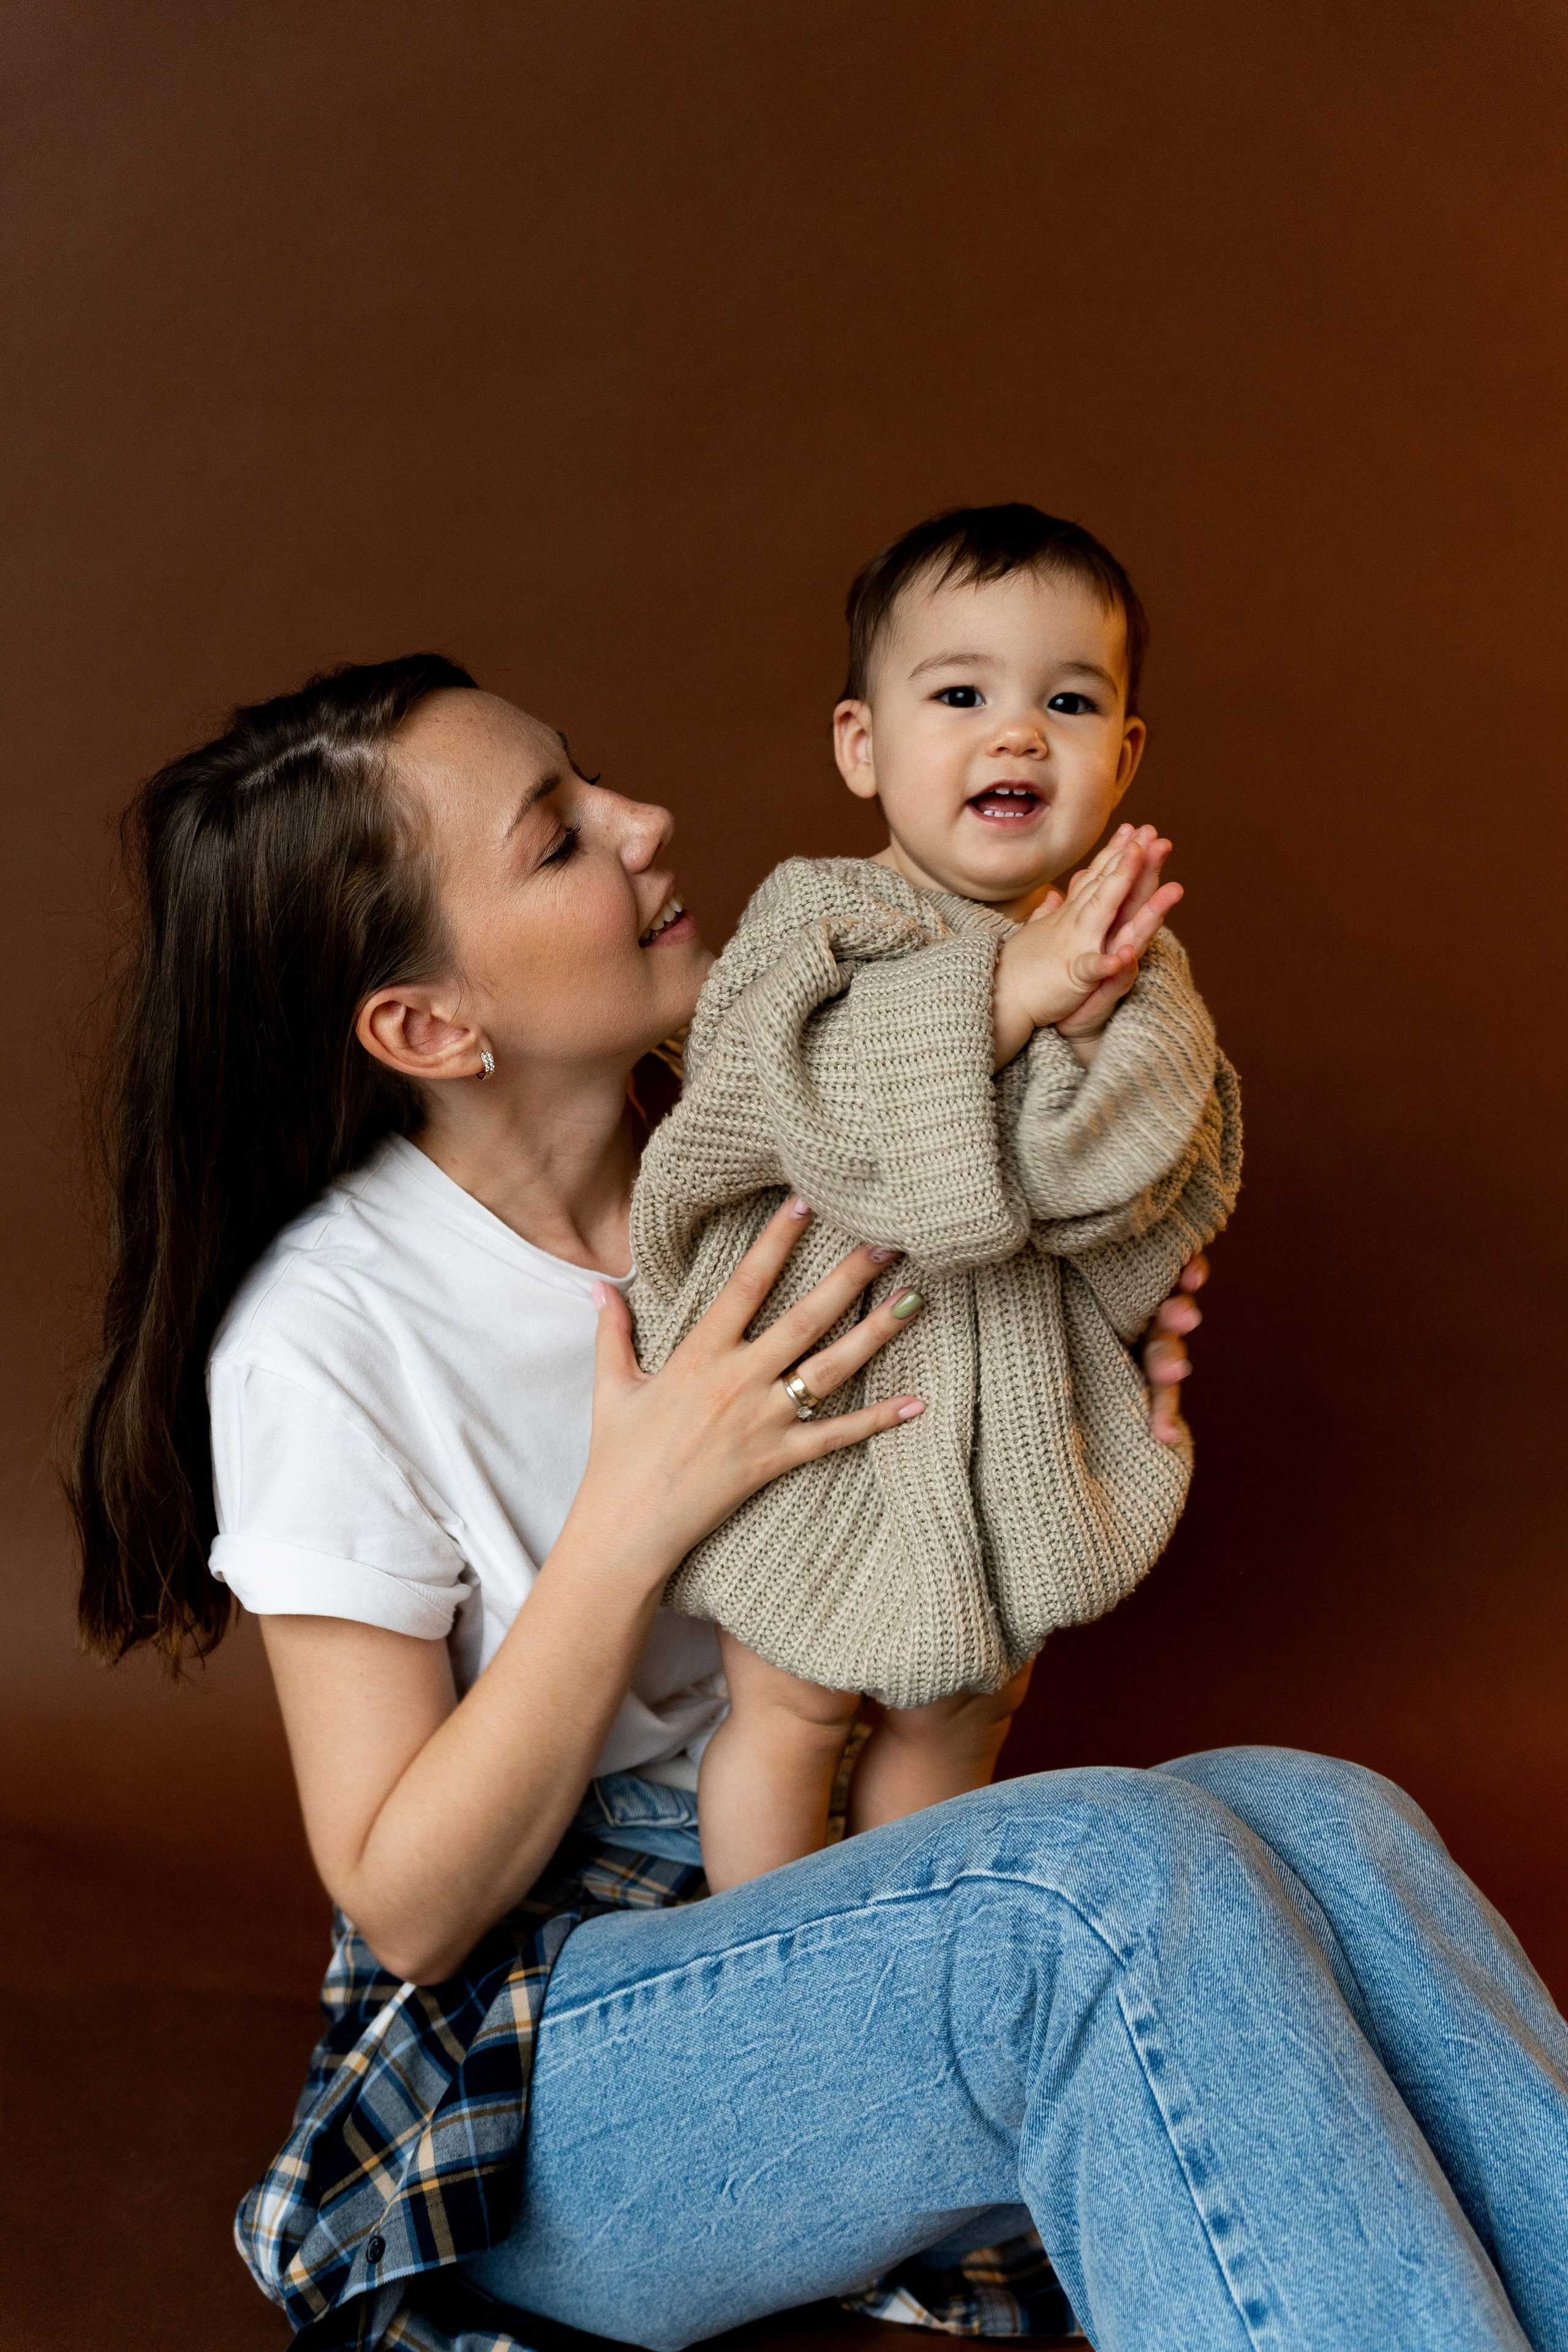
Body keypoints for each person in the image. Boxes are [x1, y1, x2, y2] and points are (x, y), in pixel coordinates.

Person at [67, 657, 1568, 2352]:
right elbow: (407, 1905)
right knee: (1096, 1882)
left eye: (591, 777)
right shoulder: (328, 1333)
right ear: (429, 1026)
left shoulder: (780, 1150)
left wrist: (1072, 1418)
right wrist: (634, 1510)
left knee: (1325, 1823)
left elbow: (896, 1649)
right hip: (538, 2066)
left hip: (826, 1895)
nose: (645, 822)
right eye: (557, 838)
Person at [631, 503, 1242, 1890]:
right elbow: (783, 1098)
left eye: (1067, 703)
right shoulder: (815, 917)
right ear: (863, 746)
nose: (1016, 734)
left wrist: (1091, 1034)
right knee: (791, 1708)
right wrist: (1009, 997)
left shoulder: (1131, 964)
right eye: (961, 695)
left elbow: (1140, 1172)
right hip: (817, 1414)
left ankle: (906, 1956)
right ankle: (770, 1962)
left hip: (1008, 1417)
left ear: (1122, 756)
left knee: (963, 1710)